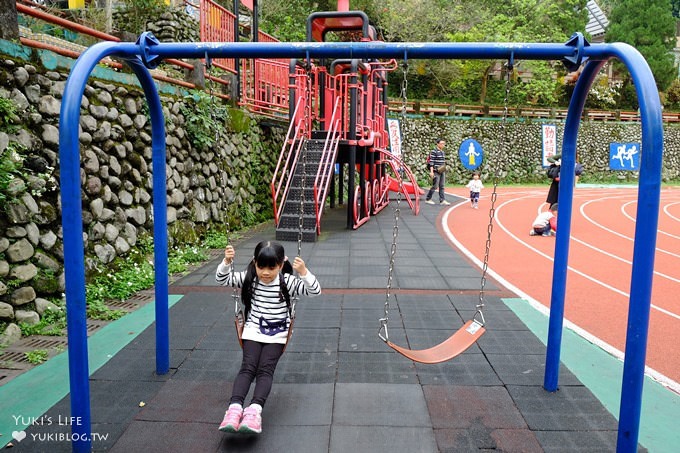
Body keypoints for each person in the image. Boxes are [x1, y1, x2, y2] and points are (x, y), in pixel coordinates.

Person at [215, 240, 321, 434]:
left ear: (281, 265)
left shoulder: (286, 282)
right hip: (253, 331)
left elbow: (315, 291)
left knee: (265, 370)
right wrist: (226, 262)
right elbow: (222, 279)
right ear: (255, 262)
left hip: (277, 334)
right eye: (261, 266)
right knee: (248, 367)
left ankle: (254, 411)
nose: (265, 272)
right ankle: (234, 409)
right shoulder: (250, 278)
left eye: (272, 267)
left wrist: (304, 272)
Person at [425, 138, 450, 205]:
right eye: (441, 143)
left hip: (442, 170)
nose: (443, 145)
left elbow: (442, 161)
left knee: (442, 186)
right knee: (435, 186)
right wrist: (431, 172)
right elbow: (431, 162)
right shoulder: (434, 151)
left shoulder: (442, 152)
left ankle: (442, 200)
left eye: (444, 144)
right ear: (437, 144)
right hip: (436, 171)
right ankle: (428, 198)